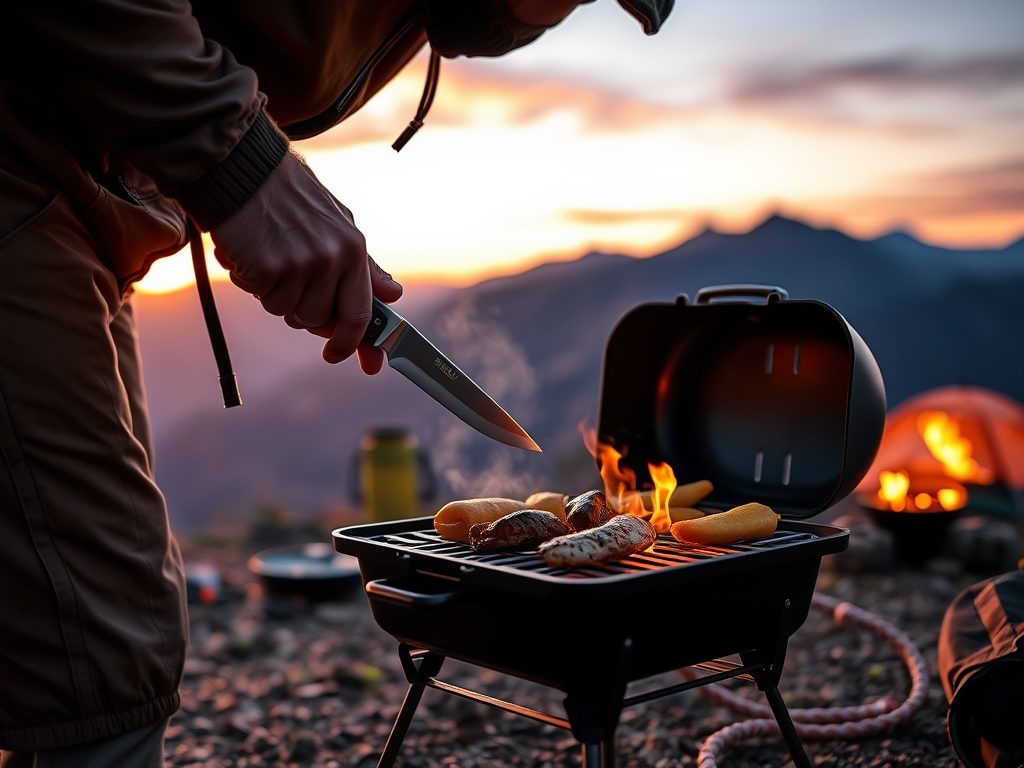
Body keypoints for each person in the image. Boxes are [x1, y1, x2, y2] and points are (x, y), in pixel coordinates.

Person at [0, 0, 673, 765]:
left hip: (94, 193)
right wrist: (241, 167)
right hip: (22, 166)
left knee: (52, 620)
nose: (555, 9)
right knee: (98, 652)